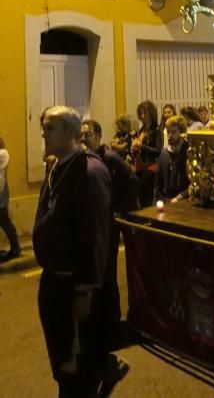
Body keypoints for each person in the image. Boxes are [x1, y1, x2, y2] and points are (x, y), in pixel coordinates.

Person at [34, 106, 113, 398]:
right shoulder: (58, 166)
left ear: (71, 132)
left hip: (73, 287)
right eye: (43, 126)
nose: (43, 132)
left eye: (50, 127)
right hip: (53, 283)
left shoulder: (88, 173)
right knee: (61, 362)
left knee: (77, 368)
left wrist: (85, 290)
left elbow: (94, 235)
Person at [81, 119, 139, 352]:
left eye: (87, 134)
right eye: (81, 134)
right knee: (96, 273)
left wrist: (119, 209)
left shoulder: (111, 158)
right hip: (95, 225)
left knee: (108, 272)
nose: (83, 138)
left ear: (98, 135)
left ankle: (113, 324)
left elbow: (132, 180)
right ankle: (101, 322)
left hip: (109, 224)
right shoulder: (84, 159)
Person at [132, 101, 162, 207]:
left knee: (146, 196)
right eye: (140, 113)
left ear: (151, 113)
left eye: (145, 113)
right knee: (140, 195)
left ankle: (148, 219)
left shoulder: (157, 130)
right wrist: (134, 149)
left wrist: (141, 146)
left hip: (151, 166)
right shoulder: (142, 130)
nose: (142, 116)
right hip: (140, 166)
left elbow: (158, 151)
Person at [154, 116, 190, 202]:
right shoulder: (164, 154)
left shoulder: (188, 153)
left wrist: (179, 197)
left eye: (174, 132)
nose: (170, 136)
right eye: (168, 132)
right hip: (167, 199)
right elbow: (158, 183)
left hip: (184, 200)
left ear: (182, 133)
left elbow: (194, 184)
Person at [0, 135, 21, 262]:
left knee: (4, 220)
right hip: (1, 190)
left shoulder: (2, 154)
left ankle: (15, 248)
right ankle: (15, 247)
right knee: (3, 220)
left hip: (0, 191)